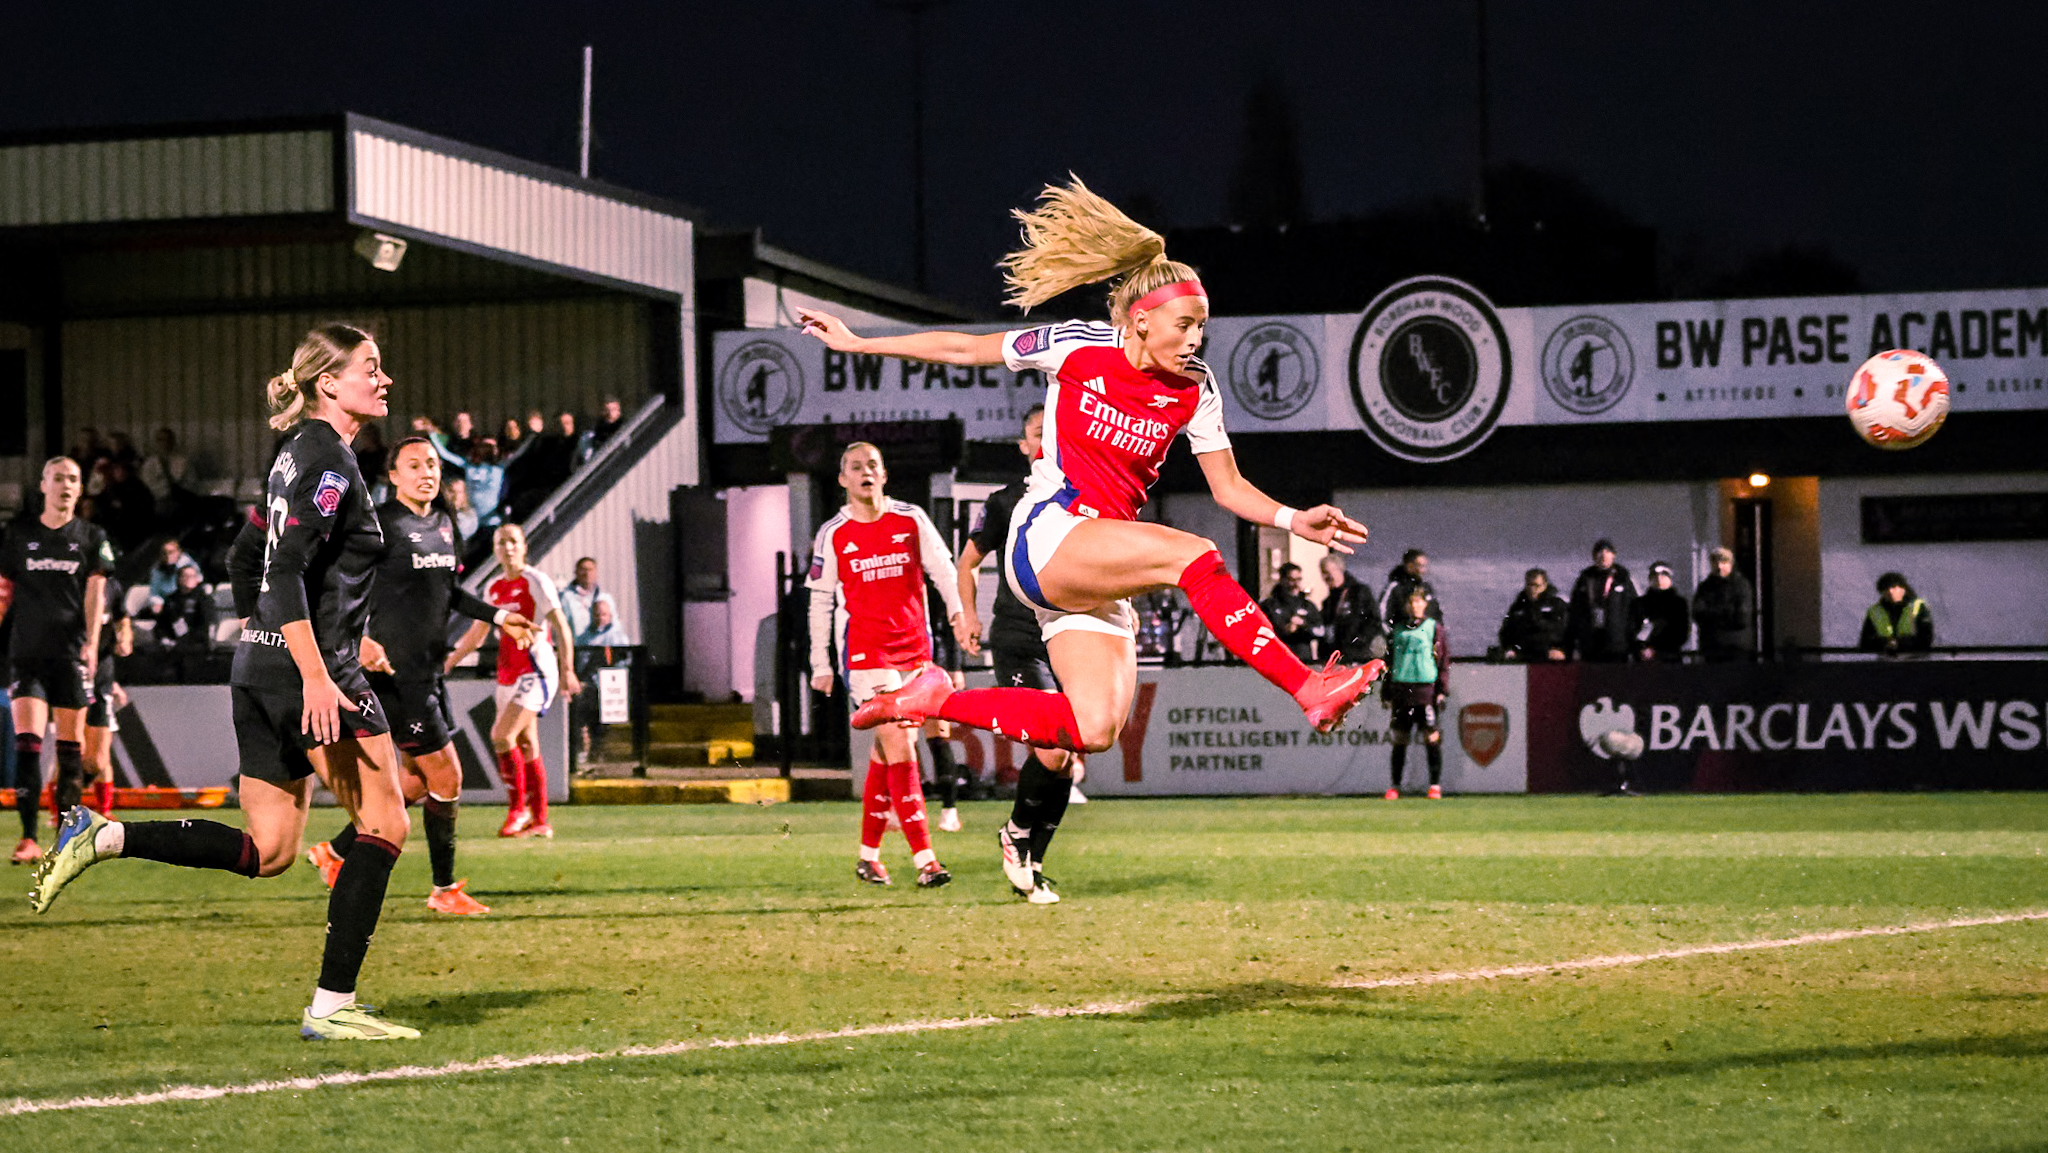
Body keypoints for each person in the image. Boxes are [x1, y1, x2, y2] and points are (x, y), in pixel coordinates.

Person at [800, 177, 1382, 851]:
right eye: (1185, 324)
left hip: (1098, 570)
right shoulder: (1079, 346)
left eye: (1202, 327)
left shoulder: (1195, 390)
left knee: (1091, 729)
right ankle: (1307, 684)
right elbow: (967, 348)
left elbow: (1228, 487)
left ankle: (932, 699)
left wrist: (1290, 519)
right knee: (1192, 554)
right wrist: (859, 342)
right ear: (1139, 319)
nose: (1196, 339)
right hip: (1048, 535)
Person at [31, 323, 424, 1041]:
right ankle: (333, 1005)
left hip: (261, 670)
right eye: (372, 366)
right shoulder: (330, 463)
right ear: (328, 382)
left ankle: (104, 834)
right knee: (387, 821)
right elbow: (280, 569)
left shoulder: (292, 456)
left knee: (270, 849)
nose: (385, 378)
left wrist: (264, 636)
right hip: (315, 674)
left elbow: (250, 554)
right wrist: (310, 669)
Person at [306, 436, 532, 917]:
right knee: (448, 777)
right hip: (397, 676)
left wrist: (500, 617)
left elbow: (450, 592)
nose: (426, 472)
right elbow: (337, 590)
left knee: (414, 783)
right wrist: (359, 640)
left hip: (428, 673)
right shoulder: (378, 525)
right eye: (413, 465)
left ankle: (334, 853)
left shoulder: (445, 524)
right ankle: (443, 889)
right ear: (393, 476)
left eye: (431, 463)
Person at [806, 442, 964, 889]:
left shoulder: (910, 518)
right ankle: (926, 860)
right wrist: (821, 662)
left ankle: (868, 857)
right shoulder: (833, 533)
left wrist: (958, 612)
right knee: (900, 746)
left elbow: (943, 569)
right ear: (843, 481)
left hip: (915, 653)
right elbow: (819, 600)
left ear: (885, 473)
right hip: (867, 656)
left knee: (884, 751)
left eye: (872, 464)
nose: (865, 472)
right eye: (855, 467)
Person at [956, 406, 1083, 903]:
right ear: (1025, 446)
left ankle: (1033, 862)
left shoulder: (1082, 501)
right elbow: (966, 563)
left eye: (1054, 431)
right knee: (1052, 750)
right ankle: (1013, 834)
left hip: (1069, 637)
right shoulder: (1006, 502)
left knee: (1068, 758)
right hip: (1018, 639)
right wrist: (966, 615)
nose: (1047, 439)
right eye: (1037, 433)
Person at [1, 457, 111, 862]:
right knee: (28, 744)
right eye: (59, 478)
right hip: (27, 654)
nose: (66, 485)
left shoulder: (91, 535)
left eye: (73, 480)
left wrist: (92, 646)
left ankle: (65, 839)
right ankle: (28, 839)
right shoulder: (18, 534)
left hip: (70, 655)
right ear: (43, 484)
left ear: (80, 490)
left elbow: (95, 594)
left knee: (72, 752)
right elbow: (5, 590)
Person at [448, 523, 580, 838]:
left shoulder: (536, 581)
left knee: (501, 735)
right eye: (501, 542)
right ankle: (540, 820)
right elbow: (478, 633)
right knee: (526, 742)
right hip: (508, 671)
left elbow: (560, 625)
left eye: (513, 541)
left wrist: (568, 668)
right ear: (494, 549)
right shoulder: (493, 587)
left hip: (536, 668)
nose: (507, 547)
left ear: (524, 546)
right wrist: (450, 660)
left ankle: (517, 811)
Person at [1382, 587, 1451, 800]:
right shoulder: (1398, 630)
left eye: (1418, 602)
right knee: (1400, 738)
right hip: (1402, 689)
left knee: (1431, 736)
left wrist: (1442, 689)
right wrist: (1386, 692)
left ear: (1424, 605)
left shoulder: (1433, 628)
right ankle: (1394, 786)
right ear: (1406, 606)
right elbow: (1389, 661)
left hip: (1425, 689)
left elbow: (1443, 659)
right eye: (1411, 603)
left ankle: (1435, 786)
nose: (1414, 606)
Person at [572, 596, 632, 761]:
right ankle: (585, 752)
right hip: (586, 686)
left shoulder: (618, 637)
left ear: (610, 616)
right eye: (597, 614)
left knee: (601, 722)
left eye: (604, 615)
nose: (600, 618)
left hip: (607, 688)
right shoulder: (582, 638)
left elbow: (624, 662)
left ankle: (598, 751)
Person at [143, 562, 219, 681]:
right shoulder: (171, 600)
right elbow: (161, 625)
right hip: (172, 643)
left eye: (192, 576)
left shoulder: (204, 599)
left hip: (195, 644)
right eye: (184, 576)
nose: (188, 579)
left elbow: (206, 626)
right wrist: (165, 638)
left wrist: (184, 642)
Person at [1567, 539, 1636, 663]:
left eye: (1608, 551)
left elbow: (1633, 610)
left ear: (1613, 555)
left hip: (1616, 644)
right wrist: (1574, 641)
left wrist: (1630, 640)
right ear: (1594, 556)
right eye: (1599, 552)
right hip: (1590, 643)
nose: (1603, 555)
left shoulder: (1622, 578)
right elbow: (1574, 611)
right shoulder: (1585, 578)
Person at [1691, 548, 1755, 662]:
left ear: (1731, 564)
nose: (1719, 566)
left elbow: (1742, 618)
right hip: (1711, 648)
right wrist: (1726, 612)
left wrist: (1712, 615)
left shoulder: (1741, 585)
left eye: (1723, 562)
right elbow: (1697, 613)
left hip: (1736, 648)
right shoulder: (1705, 587)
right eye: (1716, 562)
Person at [1319, 554, 1382, 664]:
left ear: (1339, 570)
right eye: (1323, 573)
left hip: (1358, 656)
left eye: (1328, 572)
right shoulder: (1328, 601)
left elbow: (1374, 620)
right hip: (1336, 657)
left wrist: (1359, 640)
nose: (1326, 577)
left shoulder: (1359, 592)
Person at [1497, 568, 1569, 662]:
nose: (1532, 589)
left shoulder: (1557, 605)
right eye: (1529, 585)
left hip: (1550, 655)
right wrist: (1510, 648)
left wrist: (1561, 649)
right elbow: (1506, 631)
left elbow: (1566, 630)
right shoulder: (1519, 606)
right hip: (1523, 654)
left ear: (1544, 585)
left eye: (1536, 585)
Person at [1859, 572, 1933, 656]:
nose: (1890, 592)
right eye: (1885, 589)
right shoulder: (1874, 611)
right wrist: (1885, 643)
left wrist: (1899, 643)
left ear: (1903, 589)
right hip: (1885, 662)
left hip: (1914, 661)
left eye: (1894, 587)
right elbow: (1865, 643)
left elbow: (1926, 639)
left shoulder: (1918, 607)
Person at [1261, 562, 1320, 661]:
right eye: (1291, 580)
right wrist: (1285, 629)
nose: (1296, 584)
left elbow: (1320, 631)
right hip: (1278, 659)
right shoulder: (1269, 605)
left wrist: (1303, 624)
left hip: (1303, 660)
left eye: (1298, 579)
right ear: (1282, 580)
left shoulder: (1307, 605)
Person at [1633, 561, 1691, 662]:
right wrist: (1641, 648)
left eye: (1664, 575)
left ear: (1670, 579)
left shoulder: (1679, 604)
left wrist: (1657, 650)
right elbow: (1632, 628)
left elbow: (1682, 632)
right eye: (1655, 576)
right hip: (1644, 659)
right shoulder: (1639, 603)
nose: (1659, 578)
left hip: (1671, 657)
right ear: (1649, 579)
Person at [1379, 549, 1442, 625]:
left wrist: (1438, 633)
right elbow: (1382, 615)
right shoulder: (1395, 587)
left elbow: (1436, 614)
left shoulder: (1426, 588)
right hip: (1401, 634)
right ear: (1409, 565)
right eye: (1420, 566)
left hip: (1425, 635)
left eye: (1425, 566)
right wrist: (1391, 635)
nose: (1424, 570)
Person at [560, 557, 617, 641]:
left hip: (601, 648)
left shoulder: (605, 598)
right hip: (577, 649)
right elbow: (561, 626)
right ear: (576, 572)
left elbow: (615, 625)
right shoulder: (566, 598)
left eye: (590, 569)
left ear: (596, 572)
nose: (587, 573)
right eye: (583, 570)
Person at [147, 537, 202, 608]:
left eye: (171, 552)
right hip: (170, 603)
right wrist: (158, 602)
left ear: (179, 552)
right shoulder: (157, 571)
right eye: (165, 553)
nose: (168, 556)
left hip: (191, 597)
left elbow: (199, 577)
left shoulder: (187, 562)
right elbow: (154, 593)